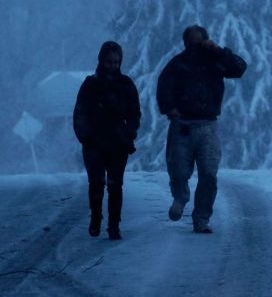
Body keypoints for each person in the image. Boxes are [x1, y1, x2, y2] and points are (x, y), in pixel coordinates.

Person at [156, 25, 247, 234]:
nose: (194, 47)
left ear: (206, 41)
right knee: (178, 171)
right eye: (191, 43)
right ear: (185, 43)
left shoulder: (215, 61)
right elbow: (164, 86)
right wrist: (169, 108)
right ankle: (181, 196)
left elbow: (240, 68)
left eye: (199, 42)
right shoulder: (178, 64)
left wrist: (218, 50)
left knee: (208, 175)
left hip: (208, 125)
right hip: (182, 125)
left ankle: (201, 219)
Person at [72, 41, 140, 240]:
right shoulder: (90, 84)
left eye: (116, 62)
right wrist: (84, 137)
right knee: (96, 183)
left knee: (115, 185)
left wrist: (129, 134)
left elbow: (135, 113)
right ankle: (96, 217)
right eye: (109, 61)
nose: (113, 66)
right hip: (94, 142)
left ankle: (113, 224)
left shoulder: (126, 85)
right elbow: (80, 113)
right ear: (102, 61)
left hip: (118, 143)